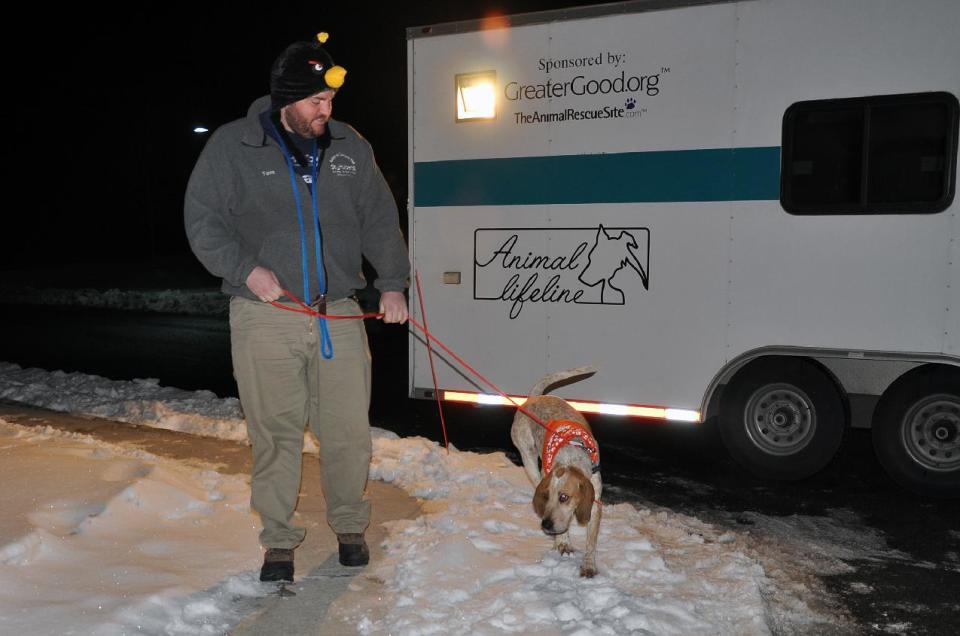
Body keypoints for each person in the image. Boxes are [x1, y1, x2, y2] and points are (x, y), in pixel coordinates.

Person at [184, 32, 409, 582]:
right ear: (286, 101)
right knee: (276, 433)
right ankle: (279, 541)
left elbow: (379, 218)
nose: (325, 111)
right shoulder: (233, 147)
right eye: (315, 101)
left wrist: (393, 282)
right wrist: (246, 270)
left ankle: (350, 525)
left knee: (349, 431)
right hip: (266, 314)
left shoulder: (350, 147)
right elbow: (203, 221)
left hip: (336, 310)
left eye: (329, 100)